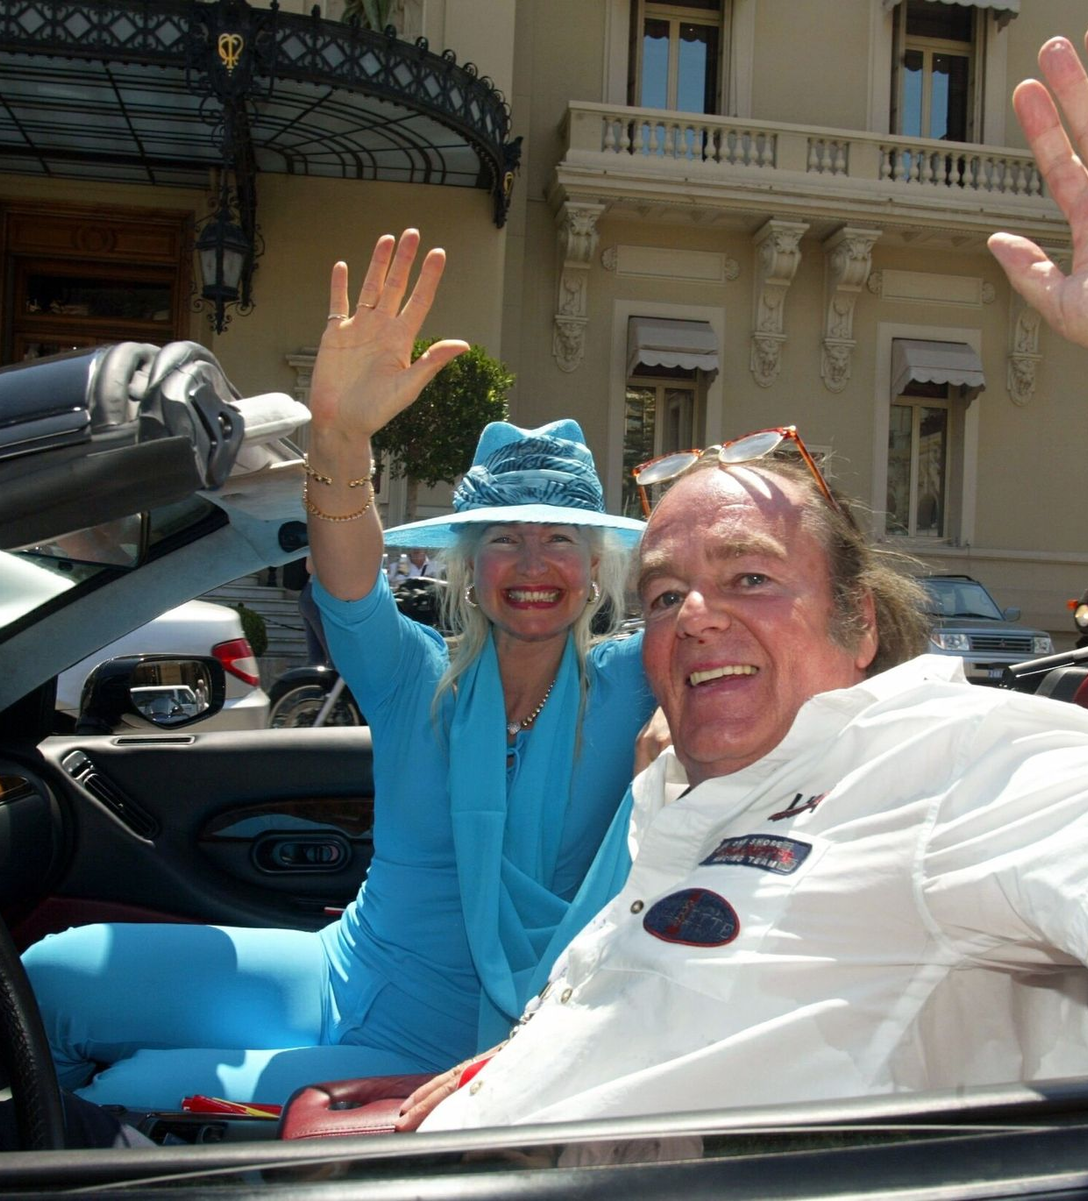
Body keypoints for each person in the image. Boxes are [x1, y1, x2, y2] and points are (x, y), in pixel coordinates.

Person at [400, 23, 1088, 1131]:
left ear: (860, 622)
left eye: (751, 578)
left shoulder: (947, 763)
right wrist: (527, 1055)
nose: (694, 618)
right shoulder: (686, 785)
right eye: (668, 592)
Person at [21, 246, 657, 1109]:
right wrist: (340, 435)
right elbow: (348, 580)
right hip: (340, 970)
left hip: (453, 1035)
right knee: (51, 972)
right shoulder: (415, 674)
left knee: (128, 1090)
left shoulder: (641, 677)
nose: (532, 560)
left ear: (595, 566)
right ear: (468, 565)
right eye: (503, 537)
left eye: (558, 538)